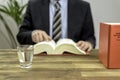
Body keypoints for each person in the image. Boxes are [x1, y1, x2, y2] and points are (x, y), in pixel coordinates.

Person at [17, 0, 96, 53]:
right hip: (42, 59)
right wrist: (32, 34)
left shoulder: (83, 6)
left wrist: (88, 43)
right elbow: (21, 35)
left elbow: (90, 37)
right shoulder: (33, 5)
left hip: (73, 58)